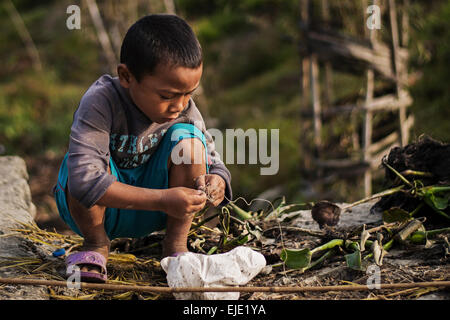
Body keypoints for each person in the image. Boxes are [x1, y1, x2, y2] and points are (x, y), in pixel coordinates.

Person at [53, 14, 232, 283]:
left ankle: (175, 246)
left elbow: (212, 158)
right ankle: (96, 246)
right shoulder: (101, 102)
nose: (180, 106)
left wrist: (217, 179)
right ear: (126, 76)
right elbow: (85, 182)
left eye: (189, 94)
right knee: (76, 166)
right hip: (101, 212)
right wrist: (163, 198)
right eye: (166, 96)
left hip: (160, 212)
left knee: (191, 144)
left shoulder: (183, 109)